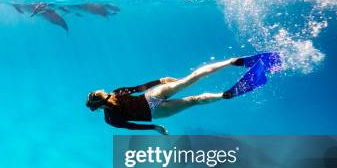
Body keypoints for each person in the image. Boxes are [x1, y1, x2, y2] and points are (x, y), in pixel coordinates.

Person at [85, 53, 280, 134]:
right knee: (192, 80)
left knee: (194, 96)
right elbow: (138, 92)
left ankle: (226, 93)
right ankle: (232, 63)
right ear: (100, 97)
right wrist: (160, 81)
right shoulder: (114, 105)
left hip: (153, 105)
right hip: (153, 102)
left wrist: (154, 127)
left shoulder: (111, 113)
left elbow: (133, 119)